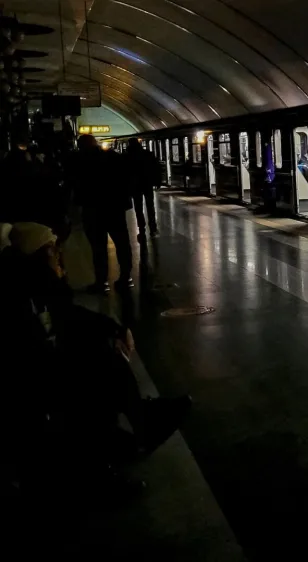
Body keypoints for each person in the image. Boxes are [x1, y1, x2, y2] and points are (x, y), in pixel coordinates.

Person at [0, 223, 190, 492]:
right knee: (99, 363)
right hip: (27, 390)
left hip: (36, 374)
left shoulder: (35, 288)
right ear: (39, 258)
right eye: (53, 251)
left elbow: (67, 316)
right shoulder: (21, 299)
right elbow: (36, 354)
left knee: (101, 351)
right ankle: (105, 464)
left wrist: (115, 328)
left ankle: (136, 427)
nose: (59, 257)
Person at [69, 135, 134, 293]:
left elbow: (76, 185)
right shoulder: (113, 157)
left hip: (92, 210)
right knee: (122, 244)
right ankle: (126, 277)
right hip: (114, 209)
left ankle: (101, 281)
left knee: (98, 248)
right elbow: (126, 180)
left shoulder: (80, 161)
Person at [124, 138, 160, 238]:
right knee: (150, 206)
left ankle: (141, 229)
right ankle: (153, 229)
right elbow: (155, 168)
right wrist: (157, 181)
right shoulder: (148, 154)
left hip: (135, 186)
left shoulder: (127, 156)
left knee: (138, 208)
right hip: (147, 184)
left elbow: (125, 173)